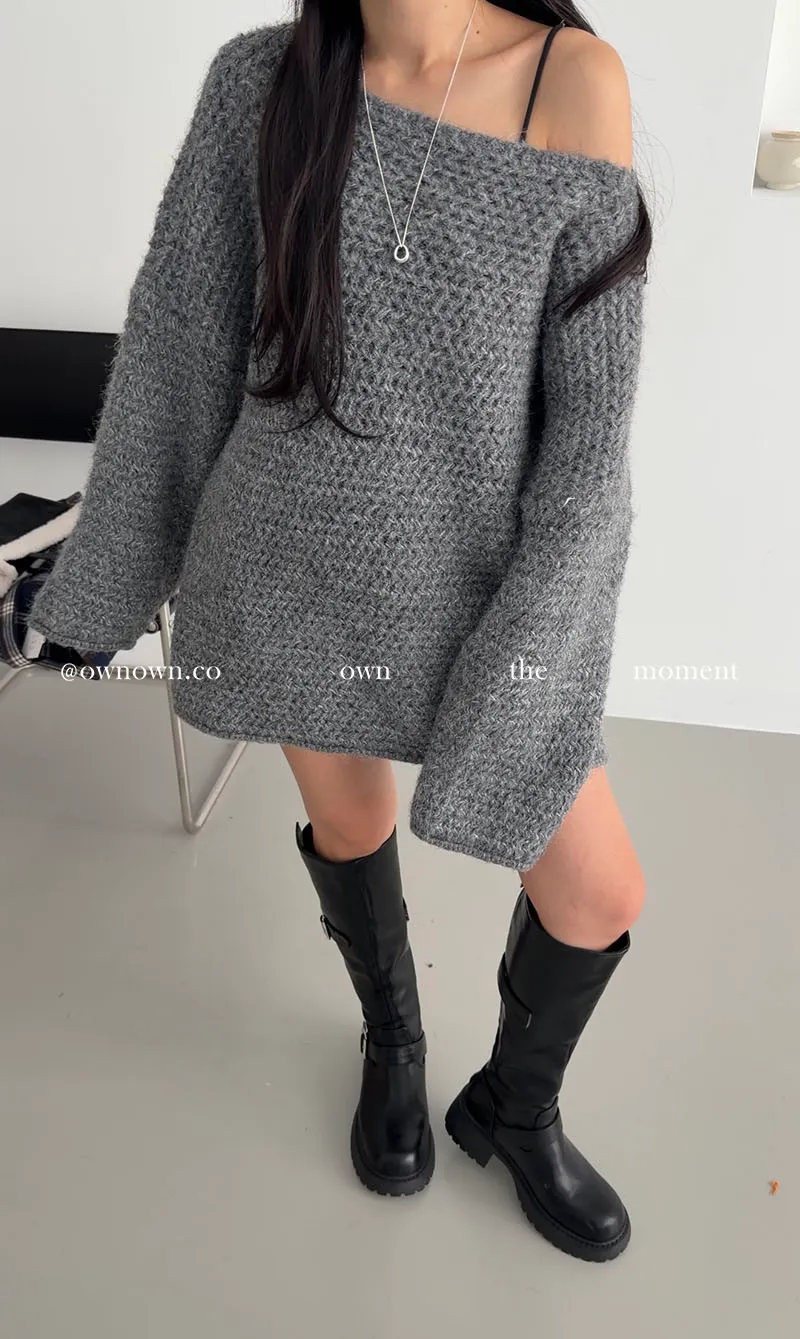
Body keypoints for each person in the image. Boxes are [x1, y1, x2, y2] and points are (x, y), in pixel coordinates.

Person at [29, 1, 653, 1262]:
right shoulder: (260, 82)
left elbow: (590, 448)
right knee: (353, 826)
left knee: (598, 893)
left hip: (482, 595)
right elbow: (178, 350)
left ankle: (513, 1108)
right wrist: (102, 587)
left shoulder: (574, 81)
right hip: (287, 577)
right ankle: (393, 1041)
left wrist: (528, 652)